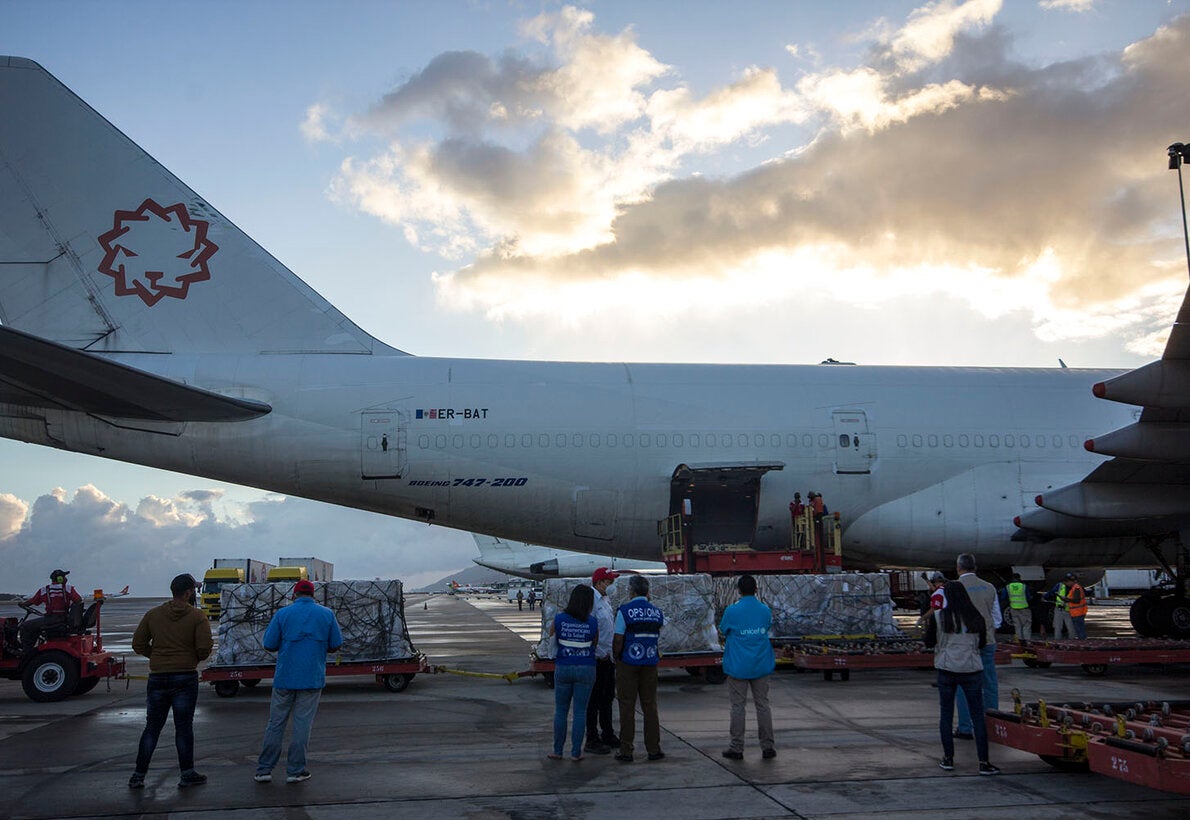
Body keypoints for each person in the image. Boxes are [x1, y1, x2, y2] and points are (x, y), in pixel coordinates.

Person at [254, 579, 343, 784]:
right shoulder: (326, 614)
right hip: (311, 678)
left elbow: (269, 643)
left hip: (285, 677)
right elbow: (336, 644)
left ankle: (264, 769)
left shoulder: (282, 614)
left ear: (294, 595)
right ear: (313, 595)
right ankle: (295, 770)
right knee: (302, 725)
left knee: (275, 724)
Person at [129, 573, 213, 789]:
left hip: (157, 676)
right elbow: (204, 649)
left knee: (152, 728)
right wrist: (189, 658)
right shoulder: (197, 616)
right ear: (187, 592)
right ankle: (186, 774)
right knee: (183, 728)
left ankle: (138, 775)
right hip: (185, 676)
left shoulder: (153, 615)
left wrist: (157, 656)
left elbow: (138, 643)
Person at [927, 580, 999, 775]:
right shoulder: (976, 617)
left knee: (946, 715)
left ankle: (948, 759)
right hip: (971, 669)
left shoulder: (939, 616)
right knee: (978, 716)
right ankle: (984, 762)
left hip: (946, 669)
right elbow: (982, 644)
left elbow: (928, 641)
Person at [719, 575, 776, 760]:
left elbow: (723, 630)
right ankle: (768, 747)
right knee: (763, 706)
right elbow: (766, 627)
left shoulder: (732, 611)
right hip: (760, 664)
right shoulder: (765, 610)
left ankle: (737, 747)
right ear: (756, 590)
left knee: (737, 707)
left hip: (738, 665)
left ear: (739, 590)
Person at [613, 574, 664, 763]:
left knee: (627, 705)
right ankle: (654, 748)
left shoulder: (624, 611)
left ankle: (626, 750)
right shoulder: (657, 612)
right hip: (650, 662)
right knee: (650, 705)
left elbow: (618, 638)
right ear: (647, 592)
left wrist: (616, 656)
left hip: (628, 662)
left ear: (631, 591)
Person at [952, 553, 1000, 741]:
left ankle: (965, 727)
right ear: (976, 568)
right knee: (989, 683)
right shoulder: (990, 587)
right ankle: (993, 725)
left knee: (964, 685)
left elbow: (948, 618)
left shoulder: (953, 588)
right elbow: (997, 619)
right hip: (987, 641)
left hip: (964, 644)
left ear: (958, 568)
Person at [548, 584, 598, 761]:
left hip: (564, 666)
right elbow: (594, 643)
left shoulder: (560, 618)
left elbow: (551, 638)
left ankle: (557, 751)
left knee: (561, 711)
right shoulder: (592, 622)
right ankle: (576, 752)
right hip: (586, 667)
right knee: (580, 712)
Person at [585, 567, 620, 755]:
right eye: (609, 582)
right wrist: (599, 652)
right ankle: (592, 737)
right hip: (598, 658)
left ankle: (608, 733)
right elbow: (591, 630)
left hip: (608, 658)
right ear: (599, 583)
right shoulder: (592, 601)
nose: (611, 586)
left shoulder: (605, 600)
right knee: (594, 700)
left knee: (607, 698)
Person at [19, 569, 83, 653]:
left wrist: (22, 604)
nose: (66, 579)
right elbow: (78, 600)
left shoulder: (44, 590)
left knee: (25, 626)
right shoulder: (68, 589)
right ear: (59, 578)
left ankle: (26, 652)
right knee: (34, 626)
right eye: (64, 577)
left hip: (51, 619)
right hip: (64, 619)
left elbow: (31, 602)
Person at [1003, 573, 1034, 642]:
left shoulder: (1008, 587)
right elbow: (1028, 597)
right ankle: (1027, 641)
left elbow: (1003, 597)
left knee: (1017, 625)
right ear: (1019, 578)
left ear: (1012, 578)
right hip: (1024, 608)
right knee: (1026, 625)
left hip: (1013, 608)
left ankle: (1019, 641)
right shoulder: (1023, 586)